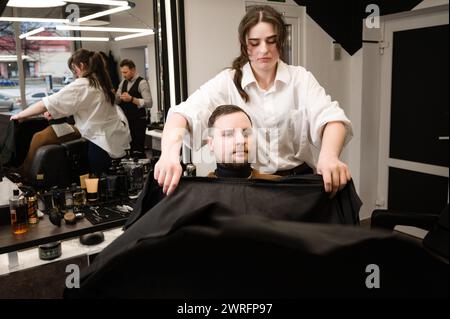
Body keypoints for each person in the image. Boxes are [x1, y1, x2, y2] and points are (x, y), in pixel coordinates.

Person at [155, 5, 352, 197]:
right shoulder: (228, 81)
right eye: (255, 42)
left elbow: (332, 119)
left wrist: (328, 156)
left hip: (298, 185)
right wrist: (168, 155)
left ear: (281, 41)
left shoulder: (301, 79)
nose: (264, 49)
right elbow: (183, 115)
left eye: (271, 41)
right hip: (252, 188)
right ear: (245, 45)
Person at [11, 48, 131, 177]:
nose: (75, 73)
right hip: (112, 135)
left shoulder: (83, 84)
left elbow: (44, 104)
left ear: (81, 65)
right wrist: (56, 111)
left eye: (74, 69)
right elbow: (84, 106)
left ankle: (25, 173)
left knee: (40, 137)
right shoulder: (102, 82)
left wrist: (19, 115)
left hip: (97, 138)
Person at [206, 104, 279, 180]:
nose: (241, 141)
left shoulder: (280, 188)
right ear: (211, 144)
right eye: (229, 134)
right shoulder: (196, 190)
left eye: (246, 133)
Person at [116, 59, 153, 158]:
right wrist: (114, 96)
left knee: (137, 149)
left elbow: (149, 103)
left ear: (133, 70)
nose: (123, 75)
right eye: (122, 72)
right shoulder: (123, 83)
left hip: (138, 122)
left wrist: (132, 99)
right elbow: (116, 101)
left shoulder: (142, 83)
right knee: (127, 149)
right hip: (125, 122)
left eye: (125, 72)